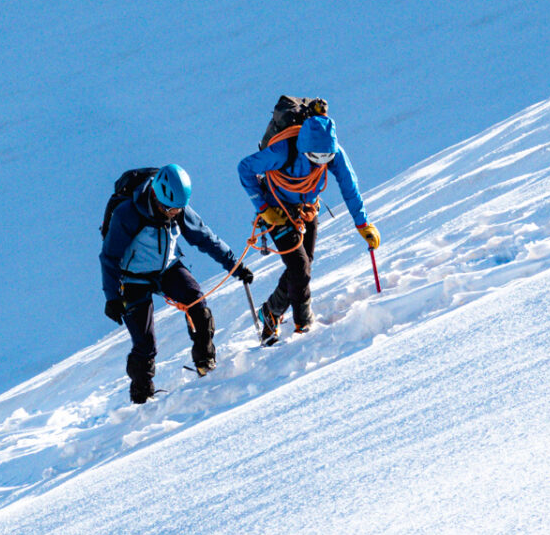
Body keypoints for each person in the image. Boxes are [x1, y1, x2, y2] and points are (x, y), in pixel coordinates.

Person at [100, 164, 254, 403]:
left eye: (178, 209)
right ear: (156, 196)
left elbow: (205, 237)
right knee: (145, 344)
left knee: (199, 307)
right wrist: (112, 298)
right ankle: (142, 399)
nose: (174, 214)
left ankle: (205, 365)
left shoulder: (179, 208)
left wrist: (234, 265)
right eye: (169, 209)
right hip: (133, 279)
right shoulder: (127, 214)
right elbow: (109, 257)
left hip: (168, 268)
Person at [237, 100, 380, 344]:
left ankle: (271, 311)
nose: (321, 163)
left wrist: (362, 224)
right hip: (277, 211)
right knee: (300, 267)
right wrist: (264, 209)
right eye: (315, 158)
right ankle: (304, 325)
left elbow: (349, 186)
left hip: (306, 209)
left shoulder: (331, 151)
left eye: (326, 158)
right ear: (305, 149)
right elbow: (245, 168)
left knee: (303, 266)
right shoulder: (284, 150)